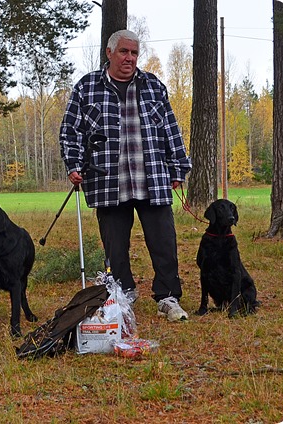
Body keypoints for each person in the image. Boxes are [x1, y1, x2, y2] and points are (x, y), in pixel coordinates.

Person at [59, 29, 192, 321]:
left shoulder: (153, 86)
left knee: (164, 243)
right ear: (109, 53)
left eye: (134, 53)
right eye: (124, 52)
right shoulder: (87, 87)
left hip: (153, 178)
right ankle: (122, 296)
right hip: (107, 181)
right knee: (115, 248)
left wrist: (179, 166)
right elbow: (70, 131)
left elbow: (171, 128)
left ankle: (168, 297)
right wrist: (74, 165)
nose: (129, 58)